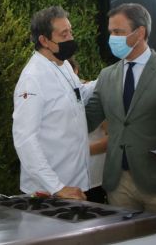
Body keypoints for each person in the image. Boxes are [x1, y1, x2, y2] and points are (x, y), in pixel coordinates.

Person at [85, 3, 156, 245]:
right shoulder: (107, 76)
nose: (112, 38)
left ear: (140, 33)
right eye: (111, 32)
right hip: (117, 182)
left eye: (119, 32)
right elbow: (86, 119)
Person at [12, 6, 93, 200]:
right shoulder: (32, 78)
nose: (70, 38)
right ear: (44, 41)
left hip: (74, 186)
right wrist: (57, 187)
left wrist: (109, 79)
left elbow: (77, 94)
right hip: (49, 193)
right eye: (64, 34)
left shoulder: (62, 63)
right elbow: (25, 139)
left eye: (70, 31)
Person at [69, 57, 107, 204]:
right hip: (66, 181)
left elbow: (112, 139)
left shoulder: (93, 95)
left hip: (93, 181)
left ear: (76, 71)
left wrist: (80, 151)